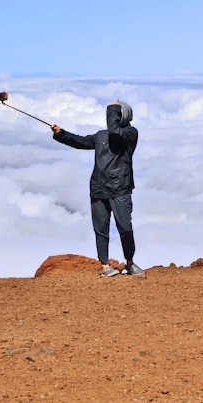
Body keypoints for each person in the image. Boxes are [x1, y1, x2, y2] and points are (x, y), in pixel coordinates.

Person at [51, 101, 143, 277]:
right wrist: (61, 134)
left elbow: (115, 130)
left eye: (116, 113)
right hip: (99, 187)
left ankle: (130, 263)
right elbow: (81, 141)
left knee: (125, 227)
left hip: (120, 188)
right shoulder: (101, 136)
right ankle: (105, 266)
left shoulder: (130, 133)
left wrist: (112, 107)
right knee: (101, 228)